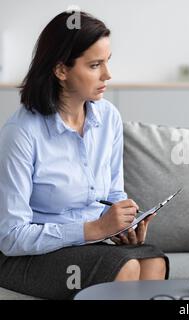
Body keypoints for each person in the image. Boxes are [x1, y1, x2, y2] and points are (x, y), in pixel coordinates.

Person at [0, 11, 168, 299]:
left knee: (152, 260)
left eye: (107, 61)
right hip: (26, 255)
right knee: (124, 267)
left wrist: (124, 222)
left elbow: (113, 191)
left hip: (92, 242)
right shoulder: (22, 133)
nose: (107, 75)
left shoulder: (108, 118)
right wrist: (94, 228)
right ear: (61, 70)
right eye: (95, 65)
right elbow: (11, 237)